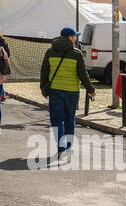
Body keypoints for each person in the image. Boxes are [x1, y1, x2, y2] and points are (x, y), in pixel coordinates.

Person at [39, 27, 95, 158]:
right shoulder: (76, 54)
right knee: (70, 119)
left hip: (55, 91)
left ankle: (61, 146)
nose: (76, 38)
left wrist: (43, 88)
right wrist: (91, 90)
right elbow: (83, 74)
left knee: (57, 120)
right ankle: (69, 148)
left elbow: (44, 72)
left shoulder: (50, 51)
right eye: (75, 36)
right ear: (71, 37)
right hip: (72, 92)